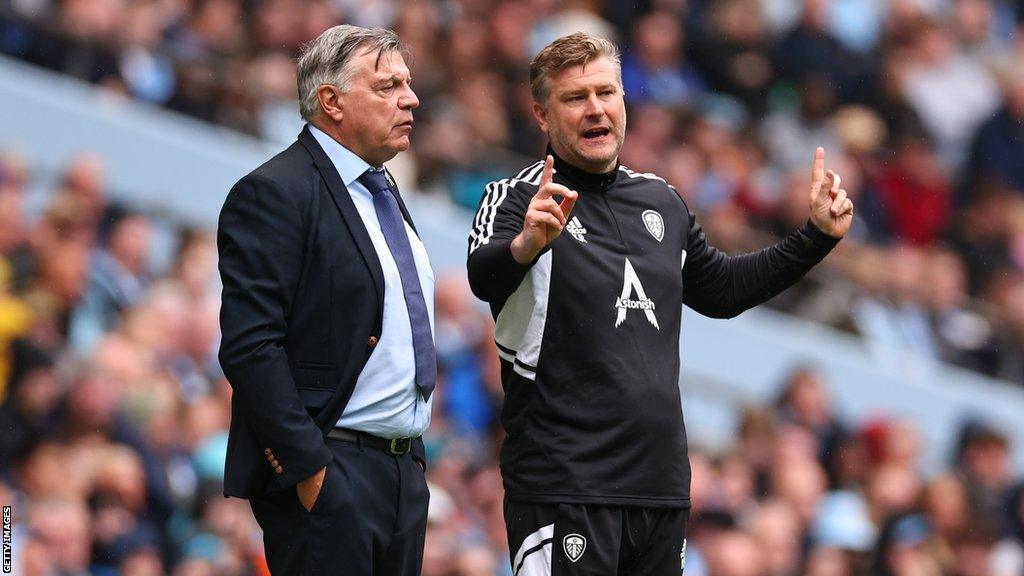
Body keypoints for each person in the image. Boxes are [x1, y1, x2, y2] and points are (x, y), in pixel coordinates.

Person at [466, 32, 852, 575]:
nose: (596, 108)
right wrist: (527, 245)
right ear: (542, 115)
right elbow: (483, 276)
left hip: (660, 493)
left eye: (607, 92)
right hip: (565, 487)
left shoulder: (661, 200)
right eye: (575, 98)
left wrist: (814, 237)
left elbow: (720, 291)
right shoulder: (516, 199)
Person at [218, 25, 433, 576]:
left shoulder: (380, 189)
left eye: (407, 84)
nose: (410, 99)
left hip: (402, 473)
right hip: (333, 468)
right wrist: (310, 471)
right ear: (330, 101)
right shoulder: (275, 191)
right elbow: (250, 348)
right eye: (387, 87)